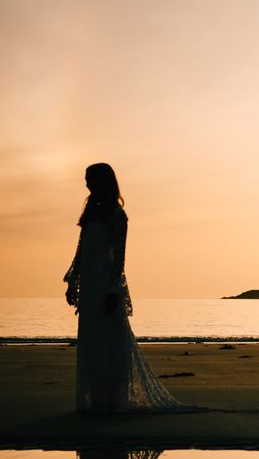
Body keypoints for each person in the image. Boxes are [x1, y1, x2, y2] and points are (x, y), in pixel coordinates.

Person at [63, 163, 203, 413]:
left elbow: (119, 259)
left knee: (111, 342)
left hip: (106, 285)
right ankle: (95, 399)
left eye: (90, 179)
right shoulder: (90, 213)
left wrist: (112, 291)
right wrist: (73, 281)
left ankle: (114, 399)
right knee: (92, 343)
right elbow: (81, 251)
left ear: (102, 181)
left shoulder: (117, 215)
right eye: (86, 179)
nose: (86, 183)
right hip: (90, 287)